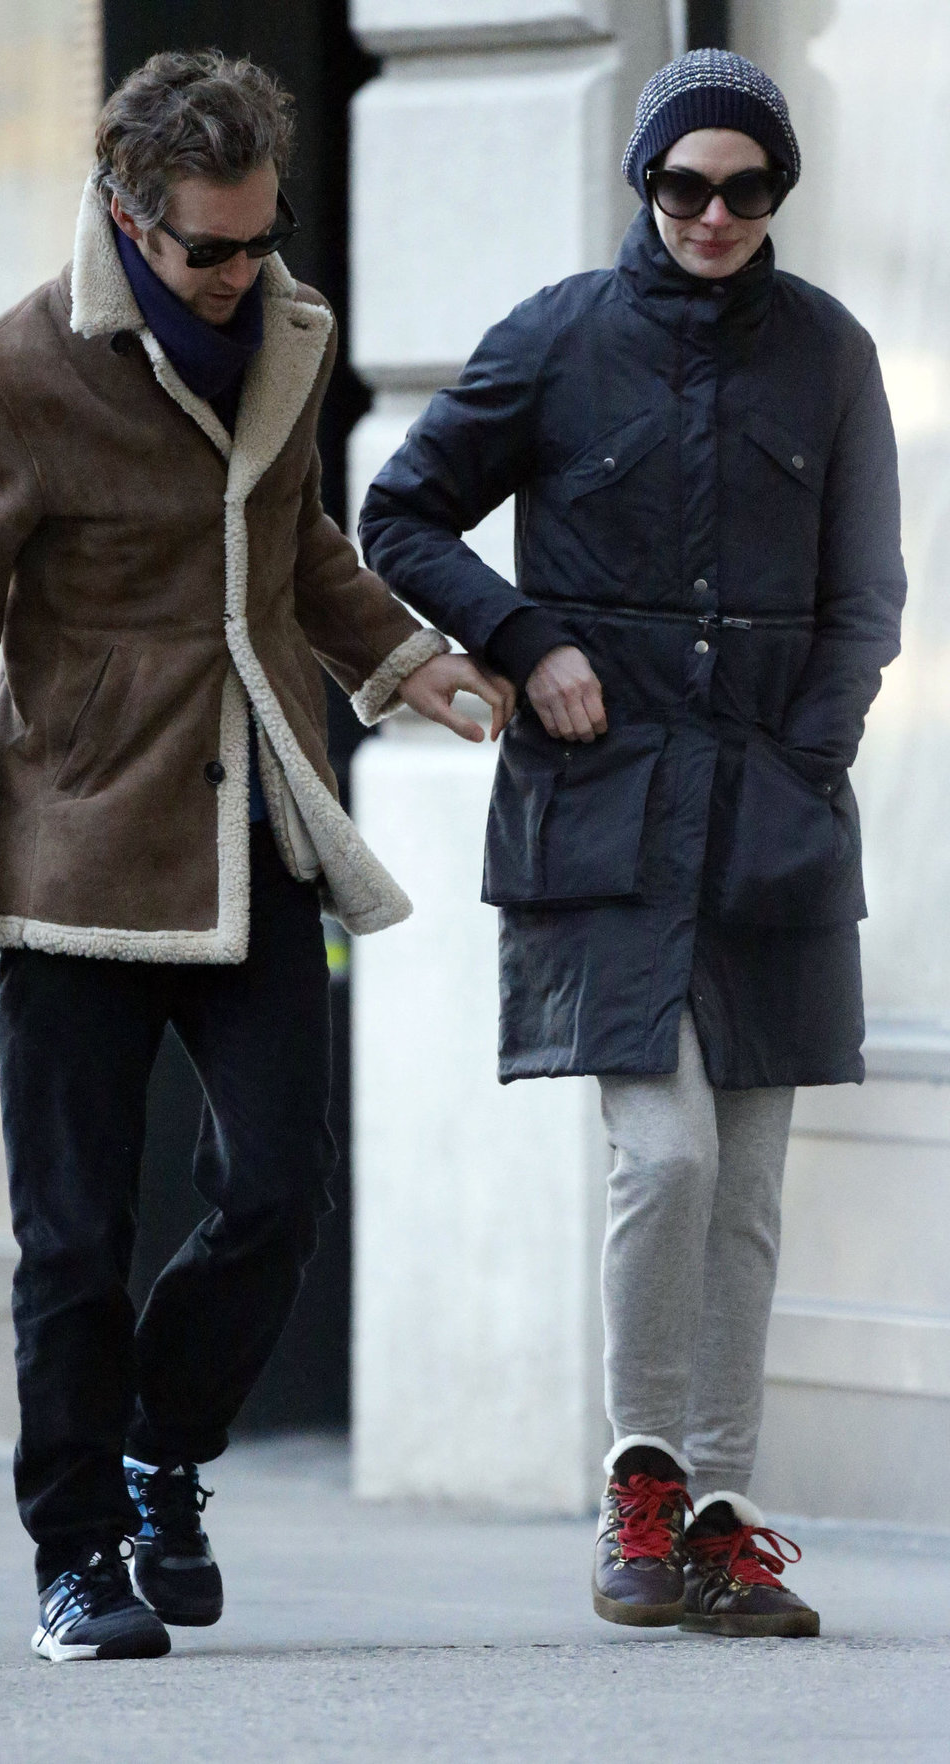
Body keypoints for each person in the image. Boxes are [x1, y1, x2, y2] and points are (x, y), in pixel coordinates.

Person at [0, 49, 512, 1663]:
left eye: (261, 237)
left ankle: (164, 1447)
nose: (244, 273)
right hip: (82, 855)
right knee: (75, 1238)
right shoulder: (13, 378)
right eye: (209, 250)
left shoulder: (288, 337)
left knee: (275, 1196)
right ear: (127, 216)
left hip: (261, 839)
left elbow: (291, 537)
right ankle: (75, 1557)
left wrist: (407, 663)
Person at [360, 48, 906, 1638]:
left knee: (742, 1193)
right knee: (659, 1159)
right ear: (644, 186)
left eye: (743, 189)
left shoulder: (833, 354)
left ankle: (725, 1520)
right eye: (684, 186)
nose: (712, 214)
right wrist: (528, 643)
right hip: (605, 814)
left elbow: (868, 593)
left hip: (772, 817)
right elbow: (398, 510)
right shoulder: (558, 339)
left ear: (777, 195)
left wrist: (809, 760)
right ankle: (641, 1481)